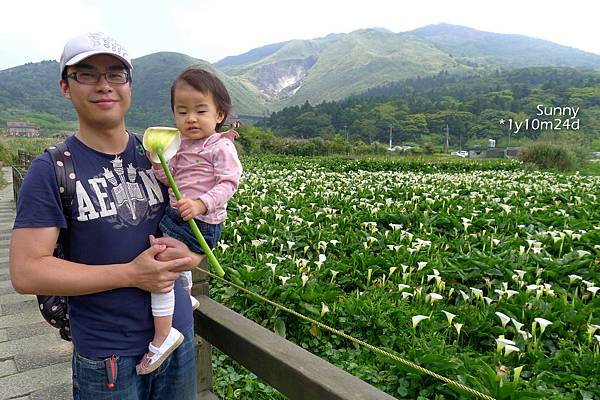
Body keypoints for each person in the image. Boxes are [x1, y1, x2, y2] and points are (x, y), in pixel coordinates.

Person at [9, 32, 200, 399]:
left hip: (178, 338)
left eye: (116, 74)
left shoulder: (159, 155)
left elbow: (199, 228)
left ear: (129, 85)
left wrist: (190, 256)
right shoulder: (51, 169)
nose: (104, 85)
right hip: (109, 355)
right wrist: (132, 275)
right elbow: (27, 271)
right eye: (87, 74)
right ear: (66, 86)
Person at [137, 67, 242, 374]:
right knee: (160, 251)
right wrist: (158, 163)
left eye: (200, 110)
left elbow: (229, 183)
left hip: (202, 223)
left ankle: (162, 335)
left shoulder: (221, 146)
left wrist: (199, 203)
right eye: (182, 112)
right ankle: (184, 298)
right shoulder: (179, 144)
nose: (191, 119)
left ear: (219, 114)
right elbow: (169, 181)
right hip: (176, 215)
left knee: (160, 265)